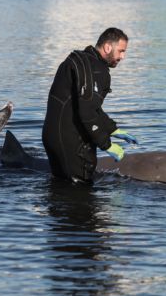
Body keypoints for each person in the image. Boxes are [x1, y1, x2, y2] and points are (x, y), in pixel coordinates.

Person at [42, 27, 138, 184]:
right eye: (121, 51)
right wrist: (106, 144)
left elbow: (88, 106)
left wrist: (111, 128)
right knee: (80, 192)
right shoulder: (97, 70)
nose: (123, 56)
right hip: (71, 143)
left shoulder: (78, 61)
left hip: (52, 137)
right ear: (108, 47)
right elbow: (87, 112)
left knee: (60, 188)